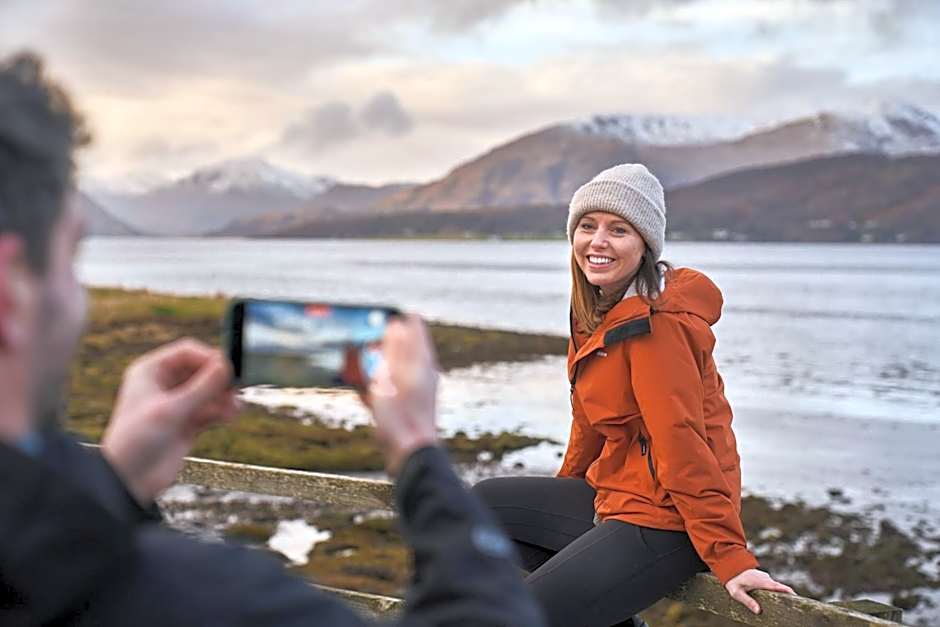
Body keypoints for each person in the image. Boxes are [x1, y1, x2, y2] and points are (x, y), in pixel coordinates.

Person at [0, 52, 546, 626]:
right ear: (11, 291)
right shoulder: (200, 601)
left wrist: (116, 482)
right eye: (71, 257)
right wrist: (418, 451)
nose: (79, 296)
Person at [472, 164, 795, 627]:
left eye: (618, 230)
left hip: (670, 519)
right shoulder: (596, 311)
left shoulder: (656, 325)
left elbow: (683, 442)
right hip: (616, 495)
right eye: (588, 226)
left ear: (645, 244)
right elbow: (588, 423)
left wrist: (731, 557)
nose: (598, 241)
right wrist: (567, 489)